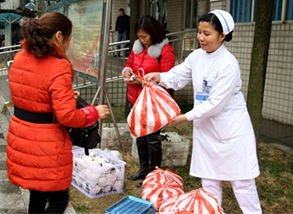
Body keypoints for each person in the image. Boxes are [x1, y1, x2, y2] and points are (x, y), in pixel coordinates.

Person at [145, 10, 262, 214]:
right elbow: (179, 75)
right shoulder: (197, 56)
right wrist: (159, 77)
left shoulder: (228, 64)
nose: (201, 37)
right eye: (199, 32)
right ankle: (212, 210)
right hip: (207, 129)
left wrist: (183, 117)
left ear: (222, 35)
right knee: (209, 180)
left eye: (207, 34)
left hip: (231, 131)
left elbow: (215, 104)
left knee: (242, 183)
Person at [6, 12, 109, 213]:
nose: (69, 44)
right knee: (59, 200)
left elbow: (33, 95)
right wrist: (93, 112)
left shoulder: (20, 58)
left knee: (36, 196)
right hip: (47, 145)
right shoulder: (58, 66)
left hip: (22, 136)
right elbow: (67, 116)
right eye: (70, 38)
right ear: (59, 36)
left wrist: (64, 95)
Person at [122, 15, 175, 188]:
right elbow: (129, 65)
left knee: (152, 138)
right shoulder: (137, 47)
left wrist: (141, 81)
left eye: (144, 36)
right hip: (135, 98)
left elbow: (167, 78)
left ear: (153, 33)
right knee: (139, 134)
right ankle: (143, 169)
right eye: (139, 36)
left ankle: (154, 173)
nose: (141, 40)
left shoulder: (165, 50)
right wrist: (128, 73)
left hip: (152, 101)